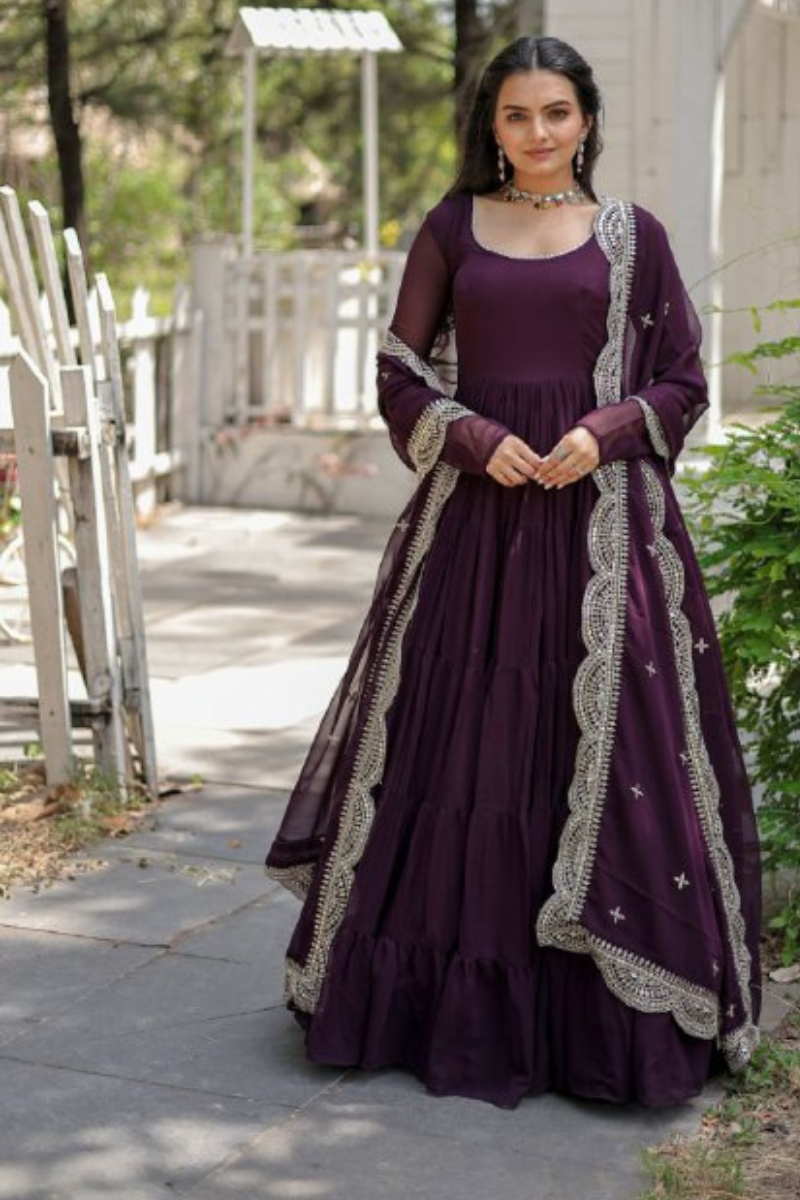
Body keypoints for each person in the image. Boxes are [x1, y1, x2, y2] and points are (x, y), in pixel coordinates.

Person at [264, 34, 763, 1110]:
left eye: (555, 114)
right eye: (513, 117)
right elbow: (398, 376)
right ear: (487, 127)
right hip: (474, 530)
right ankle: (441, 1011)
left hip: (600, 524)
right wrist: (467, 437)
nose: (535, 136)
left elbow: (683, 378)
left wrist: (607, 431)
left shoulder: (635, 238)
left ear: (585, 119)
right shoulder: (449, 229)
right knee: (462, 749)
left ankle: (606, 1025)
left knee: (602, 745)